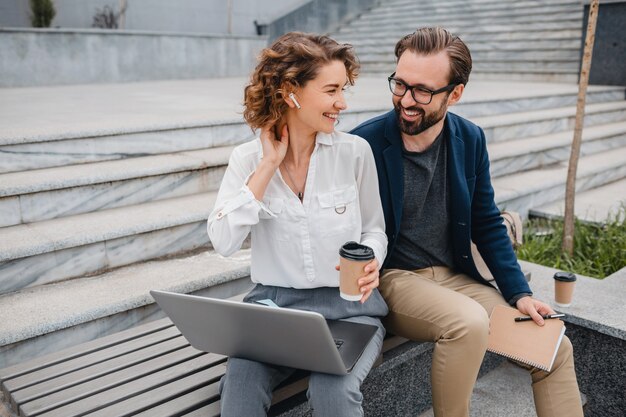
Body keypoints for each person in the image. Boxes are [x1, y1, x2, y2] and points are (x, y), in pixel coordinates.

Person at [350, 27, 583, 417]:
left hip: (456, 277)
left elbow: (487, 223)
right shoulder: (364, 144)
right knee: (469, 324)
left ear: (454, 93)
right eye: (400, 84)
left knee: (554, 347)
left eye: (421, 91)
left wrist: (519, 294)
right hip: (393, 278)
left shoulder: (470, 138)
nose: (405, 100)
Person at [207, 32, 388, 417]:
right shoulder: (247, 159)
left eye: (344, 90)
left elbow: (374, 228)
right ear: (291, 90)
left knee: (332, 394)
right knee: (238, 393)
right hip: (274, 309)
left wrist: (371, 258)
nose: (341, 103)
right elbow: (222, 241)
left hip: (348, 310)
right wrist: (267, 165)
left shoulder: (355, 153)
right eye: (331, 90)